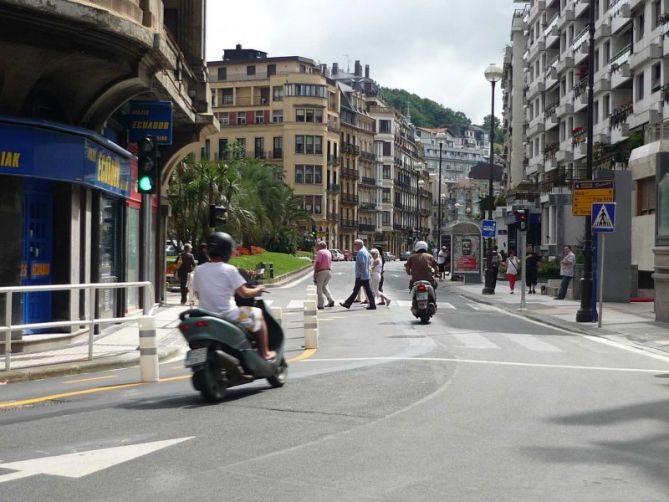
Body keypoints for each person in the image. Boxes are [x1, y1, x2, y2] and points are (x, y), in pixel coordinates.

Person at [192, 232, 275, 360]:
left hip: (206, 316)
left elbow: (197, 294)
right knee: (258, 314)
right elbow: (245, 293)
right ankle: (265, 353)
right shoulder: (229, 269)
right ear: (226, 251)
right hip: (229, 315)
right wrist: (258, 289)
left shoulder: (198, 270)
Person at [340, 239, 376, 310]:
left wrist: (360, 274)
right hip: (366, 274)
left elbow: (362, 264)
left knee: (357, 290)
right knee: (367, 290)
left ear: (358, 245)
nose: (354, 246)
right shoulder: (365, 251)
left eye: (355, 244)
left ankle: (347, 303)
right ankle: (372, 304)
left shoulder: (360, 252)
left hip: (361, 275)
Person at [313, 241, 335, 310]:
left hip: (321, 271)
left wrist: (315, 272)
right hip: (328, 271)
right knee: (324, 287)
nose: (316, 248)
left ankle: (320, 304)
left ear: (320, 246)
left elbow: (318, 263)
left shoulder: (320, 252)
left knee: (319, 289)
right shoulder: (328, 252)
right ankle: (331, 300)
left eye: (317, 246)